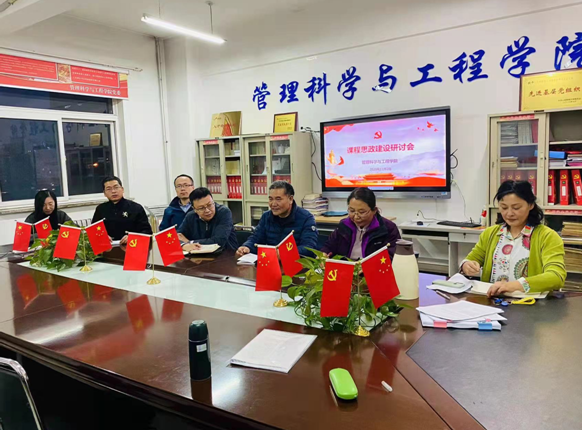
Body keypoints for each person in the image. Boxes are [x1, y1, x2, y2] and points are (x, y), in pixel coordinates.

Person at [461, 180, 566, 296]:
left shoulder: (547, 236)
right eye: (504, 207)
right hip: (492, 300)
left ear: (531, 205)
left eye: (516, 208)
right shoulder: (490, 233)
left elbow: (556, 276)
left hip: (529, 302)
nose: (509, 213)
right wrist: (467, 265)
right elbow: (472, 258)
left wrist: (515, 286)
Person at [236, 181, 318, 257]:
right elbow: (255, 238)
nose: (273, 204)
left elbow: (309, 248)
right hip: (270, 262)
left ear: (290, 199)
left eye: (278, 199)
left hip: (296, 264)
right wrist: (247, 247)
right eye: (270, 199)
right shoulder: (266, 217)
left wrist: (283, 253)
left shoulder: (306, 218)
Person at [321, 187, 401, 260]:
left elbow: (393, 256)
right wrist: (323, 255)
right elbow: (328, 247)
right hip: (345, 268)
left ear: (374, 210)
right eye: (352, 211)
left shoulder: (388, 228)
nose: (356, 217)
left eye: (362, 212)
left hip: (372, 269)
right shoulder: (344, 226)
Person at [92, 176, 153, 244]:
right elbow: (93, 231)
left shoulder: (136, 208)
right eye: (109, 189)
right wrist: (102, 236)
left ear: (122, 189)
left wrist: (132, 237)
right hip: (109, 247)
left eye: (116, 187)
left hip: (132, 245)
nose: (113, 191)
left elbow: (147, 232)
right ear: (104, 193)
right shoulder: (101, 209)